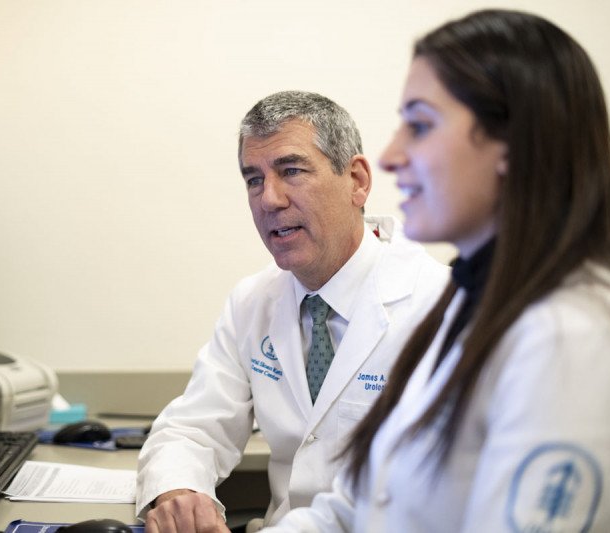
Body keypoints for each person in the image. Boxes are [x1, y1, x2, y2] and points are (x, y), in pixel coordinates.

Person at [262, 9, 610, 532]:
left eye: (422, 124)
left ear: (514, 144)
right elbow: (358, 504)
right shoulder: (470, 300)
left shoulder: (570, 336)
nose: (389, 155)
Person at [137, 91, 450, 532]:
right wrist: (180, 492)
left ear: (357, 181)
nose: (270, 199)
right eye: (253, 179)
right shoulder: (253, 301)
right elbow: (193, 427)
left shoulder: (440, 307)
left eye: (291, 171)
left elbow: (431, 497)